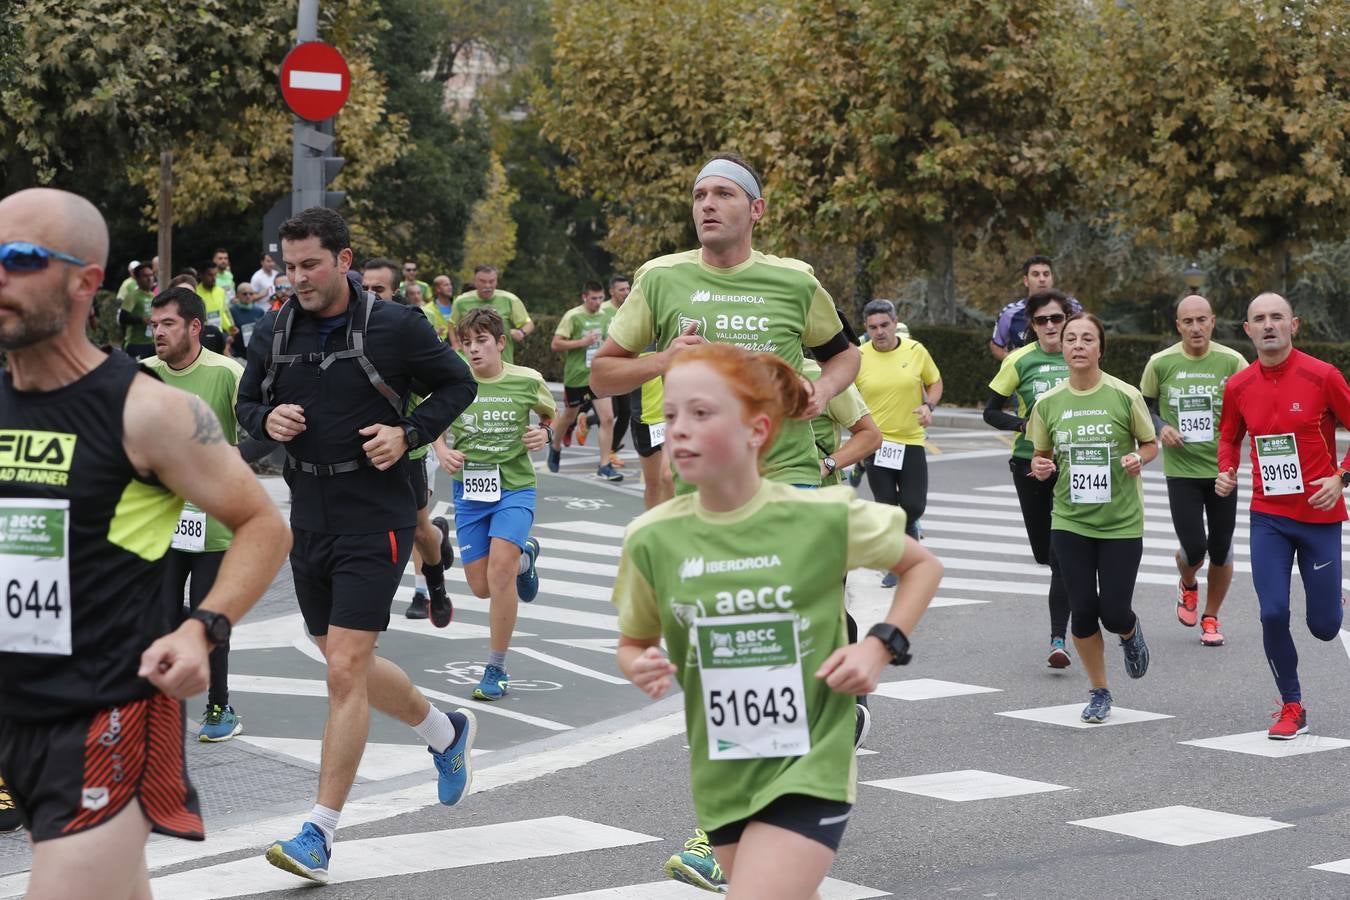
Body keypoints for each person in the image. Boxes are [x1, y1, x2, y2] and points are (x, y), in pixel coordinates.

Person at [0, 187, 290, 899]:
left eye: (21, 258)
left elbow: (262, 525)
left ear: (85, 281)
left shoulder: (150, 411)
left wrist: (203, 630)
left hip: (110, 714)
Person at [589, 152, 862, 895]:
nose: (707, 205)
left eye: (723, 195)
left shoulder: (794, 281)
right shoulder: (662, 279)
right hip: (709, 491)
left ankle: (830, 687)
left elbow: (845, 359)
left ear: (756, 210)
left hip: (791, 476)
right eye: (699, 195)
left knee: (788, 629)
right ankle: (738, 821)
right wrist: (658, 361)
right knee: (731, 653)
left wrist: (816, 383)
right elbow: (601, 373)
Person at [615, 343, 941, 900]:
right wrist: (640, 663)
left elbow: (922, 566)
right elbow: (633, 641)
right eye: (670, 417)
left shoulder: (819, 516)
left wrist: (879, 645)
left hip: (810, 760)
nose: (680, 431)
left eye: (701, 414)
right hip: (722, 769)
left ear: (756, 431)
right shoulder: (652, 537)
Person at [235, 207, 478, 883]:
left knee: (344, 666)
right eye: (289, 265)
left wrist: (411, 433)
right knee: (347, 662)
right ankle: (445, 732)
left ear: (343, 260)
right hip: (308, 515)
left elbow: (460, 382)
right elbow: (247, 408)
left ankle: (319, 830)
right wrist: (267, 419)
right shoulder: (276, 330)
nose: (298, 277)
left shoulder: (395, 326)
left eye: (310, 264)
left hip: (379, 514)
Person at [1216, 292, 1350, 740]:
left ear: (1295, 325)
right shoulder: (1238, 386)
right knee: (1272, 612)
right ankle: (1292, 705)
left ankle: (1331, 596)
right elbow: (1229, 437)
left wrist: (1341, 477)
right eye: (1259, 318)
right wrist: (1226, 471)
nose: (1269, 325)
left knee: (1325, 627)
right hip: (1268, 517)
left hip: (1320, 514)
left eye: (1277, 317)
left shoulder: (1323, 376)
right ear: (1247, 330)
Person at [1027, 313, 1158, 724]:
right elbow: (1040, 456)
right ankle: (1100, 690)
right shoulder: (1048, 403)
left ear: (1100, 348)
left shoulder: (1124, 395)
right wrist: (1041, 467)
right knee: (1082, 610)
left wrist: (1139, 457)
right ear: (1062, 347)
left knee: (1114, 611)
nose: (1078, 345)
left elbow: (1151, 444)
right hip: (1070, 521)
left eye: (1087, 339)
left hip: (1121, 521)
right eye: (1071, 339)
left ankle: (1130, 632)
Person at [143, 287, 248, 742]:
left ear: (193, 327)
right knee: (160, 616)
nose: (157, 332)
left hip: (215, 521)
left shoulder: (226, 372)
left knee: (210, 618)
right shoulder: (143, 373)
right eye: (153, 324)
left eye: (167, 323)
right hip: (161, 521)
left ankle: (221, 707)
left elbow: (257, 434)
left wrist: (227, 461)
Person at [437, 308, 554, 700]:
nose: (473, 350)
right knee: (482, 587)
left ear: (501, 343)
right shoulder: (452, 381)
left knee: (500, 573)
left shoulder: (527, 381)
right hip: (470, 492)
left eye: (482, 341)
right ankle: (526, 558)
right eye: (467, 343)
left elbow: (549, 416)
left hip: (514, 488)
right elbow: (429, 420)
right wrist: (440, 451)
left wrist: (544, 434)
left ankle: (497, 668)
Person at [1140, 295, 1246, 646]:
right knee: (1195, 547)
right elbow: (1143, 406)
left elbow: (1253, 404)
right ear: (1178, 325)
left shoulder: (1232, 361)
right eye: (1189, 322)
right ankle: (1188, 584)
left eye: (1202, 320)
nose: (1196, 328)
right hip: (1182, 471)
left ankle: (1211, 617)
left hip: (1222, 470)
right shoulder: (1161, 362)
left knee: (1221, 547)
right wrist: (1159, 426)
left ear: (1213, 322)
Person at [360, 257, 456, 623]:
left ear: (395, 291)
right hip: (364, 448)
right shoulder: (344, 324)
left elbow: (445, 386)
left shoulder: (411, 326)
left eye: (378, 290)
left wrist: (425, 436)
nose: (370, 296)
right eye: (364, 288)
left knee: (418, 528)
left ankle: (435, 586)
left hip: (410, 445)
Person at [984, 290, 1073, 668]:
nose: (1051, 326)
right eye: (1042, 321)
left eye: (1057, 319)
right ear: (1032, 326)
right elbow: (990, 412)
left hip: (1073, 467)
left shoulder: (1081, 355)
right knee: (1044, 551)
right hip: (1029, 464)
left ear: (1067, 319)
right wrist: (1025, 425)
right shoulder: (1020, 360)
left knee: (1062, 556)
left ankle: (1059, 638)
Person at [854, 298, 943, 584]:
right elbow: (847, 395)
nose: (879, 332)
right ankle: (897, 563)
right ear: (866, 328)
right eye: (872, 327)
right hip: (877, 443)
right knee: (888, 506)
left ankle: (910, 529)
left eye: (884, 325)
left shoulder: (916, 351)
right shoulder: (858, 356)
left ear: (895, 324)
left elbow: (935, 381)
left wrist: (929, 406)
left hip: (911, 440)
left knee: (913, 506)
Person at [547, 282, 624, 482]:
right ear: (584, 297)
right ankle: (555, 446)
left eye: (600, 298)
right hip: (576, 376)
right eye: (593, 298)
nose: (598, 302)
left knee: (607, 418)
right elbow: (556, 344)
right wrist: (582, 342)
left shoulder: (607, 315)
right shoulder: (573, 316)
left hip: (598, 376)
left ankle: (604, 465)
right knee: (569, 416)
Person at [989, 255, 1083, 360]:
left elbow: (1086, 337)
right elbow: (996, 345)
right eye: (1036, 275)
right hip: (1026, 373)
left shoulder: (1073, 307)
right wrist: (1009, 358)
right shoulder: (1010, 312)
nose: (1042, 279)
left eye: (1046, 274)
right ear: (1026, 280)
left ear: (1052, 278)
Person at [449, 265, 533, 362]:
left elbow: (529, 324)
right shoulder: (461, 301)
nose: (487, 286)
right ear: (475, 281)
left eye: (491, 281)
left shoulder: (510, 300)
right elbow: (452, 323)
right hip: (470, 363)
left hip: (502, 361)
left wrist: (521, 332)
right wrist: (455, 344)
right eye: (483, 281)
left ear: (496, 281)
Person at [604, 275, 632, 469]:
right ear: (612, 292)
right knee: (610, 412)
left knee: (625, 412)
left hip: (626, 367)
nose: (626, 293)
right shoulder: (603, 311)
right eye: (622, 289)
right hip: (608, 368)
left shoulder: (631, 309)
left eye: (628, 289)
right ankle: (607, 455)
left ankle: (611, 450)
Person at [117, 260, 156, 359]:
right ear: (137, 279)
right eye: (145, 276)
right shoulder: (132, 296)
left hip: (152, 343)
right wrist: (141, 320)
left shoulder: (153, 295)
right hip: (136, 344)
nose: (149, 279)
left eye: (151, 275)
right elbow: (122, 318)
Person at [194, 261, 235, 337]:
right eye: (210, 275)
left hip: (219, 334)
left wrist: (230, 327)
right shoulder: (195, 293)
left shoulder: (221, 291)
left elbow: (223, 313)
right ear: (201, 275)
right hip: (202, 336)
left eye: (215, 275)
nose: (214, 278)